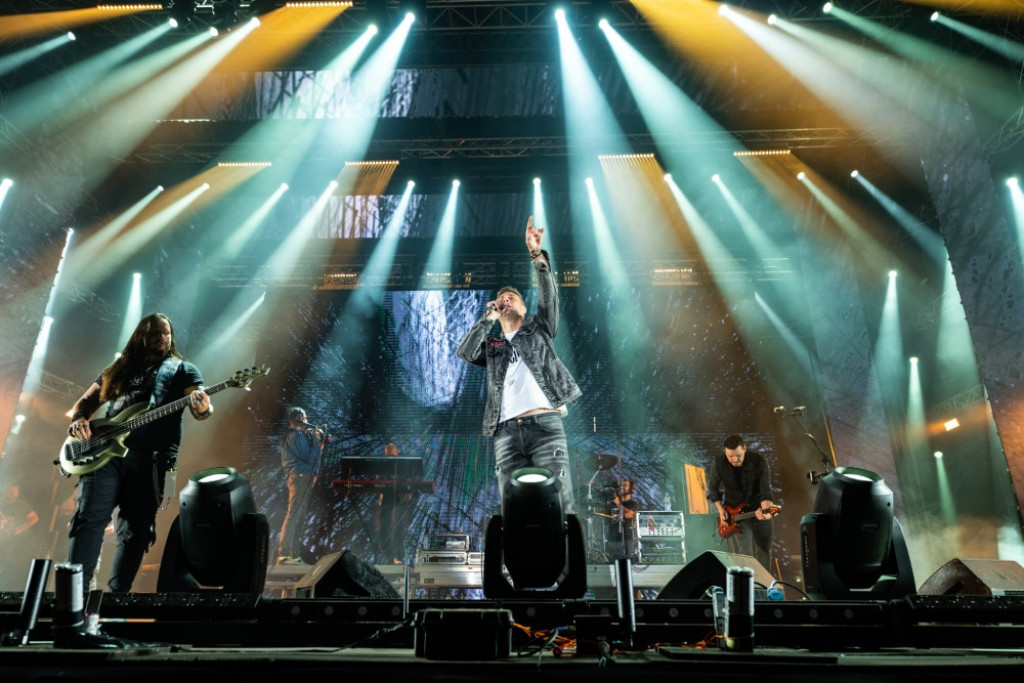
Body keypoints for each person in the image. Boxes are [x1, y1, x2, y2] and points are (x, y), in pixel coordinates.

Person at [66, 312, 212, 592]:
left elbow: (201, 408)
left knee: (135, 530)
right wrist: (79, 418)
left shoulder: (183, 370)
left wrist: (203, 405)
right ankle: (74, 596)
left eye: (166, 333)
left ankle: (116, 598)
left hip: (152, 460)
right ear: (141, 336)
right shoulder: (120, 367)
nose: (162, 337)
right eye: (155, 332)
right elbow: (85, 401)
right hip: (106, 454)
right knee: (88, 520)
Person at [456, 215, 581, 516]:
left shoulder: (539, 329)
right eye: (501, 299)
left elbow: (549, 297)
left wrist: (536, 255)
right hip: (506, 432)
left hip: (544, 426)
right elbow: (466, 352)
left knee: (559, 503)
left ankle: (563, 547)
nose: (505, 300)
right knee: (512, 508)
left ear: (523, 308)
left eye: (511, 297)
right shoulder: (495, 349)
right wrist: (487, 319)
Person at [706, 433, 776, 571]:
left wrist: (767, 512)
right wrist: (721, 510)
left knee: (764, 551)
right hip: (736, 516)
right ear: (725, 451)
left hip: (759, 509)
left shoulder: (758, 461)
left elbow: (765, 490)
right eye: (730, 456)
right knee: (746, 555)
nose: (734, 459)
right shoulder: (719, 462)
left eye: (738, 455)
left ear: (744, 448)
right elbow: (712, 489)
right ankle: (748, 583)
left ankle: (764, 583)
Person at [276, 406, 323, 565]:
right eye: (305, 418)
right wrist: (315, 440)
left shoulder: (298, 435)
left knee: (299, 516)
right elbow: (308, 457)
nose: (307, 421)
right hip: (299, 476)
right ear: (300, 418)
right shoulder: (295, 435)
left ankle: (294, 555)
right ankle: (283, 554)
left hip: (304, 476)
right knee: (294, 513)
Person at [376, 442, 414, 565]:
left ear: (396, 452)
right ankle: (388, 557)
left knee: (397, 528)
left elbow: (408, 482)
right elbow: (378, 482)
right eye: (387, 452)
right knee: (384, 528)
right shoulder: (382, 465)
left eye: (391, 452)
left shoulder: (402, 465)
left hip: (399, 499)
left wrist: (407, 493)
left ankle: (398, 557)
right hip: (386, 499)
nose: (389, 455)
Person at [606, 479, 640, 562]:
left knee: (628, 562)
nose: (622, 487)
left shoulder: (633, 504)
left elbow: (629, 514)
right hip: (613, 539)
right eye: (621, 485)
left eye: (625, 485)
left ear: (631, 489)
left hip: (627, 540)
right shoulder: (613, 503)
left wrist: (618, 503)